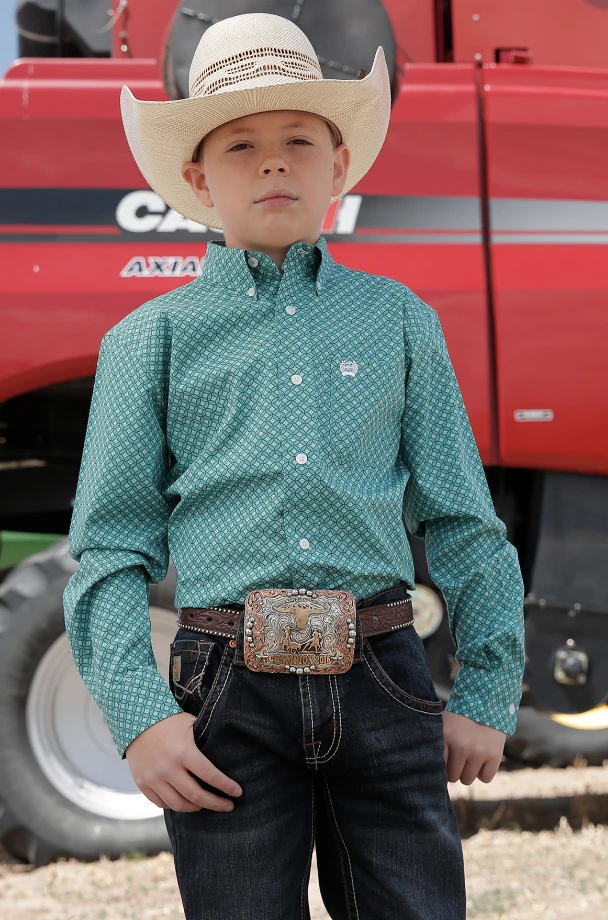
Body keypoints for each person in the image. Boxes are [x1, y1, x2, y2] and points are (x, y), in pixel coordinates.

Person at [63, 12, 525, 920]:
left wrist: (486, 688)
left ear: (339, 165)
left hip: (387, 680)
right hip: (224, 694)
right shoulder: (147, 342)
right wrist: (140, 718)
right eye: (241, 144)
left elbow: (465, 522)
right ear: (197, 178)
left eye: (298, 140)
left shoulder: (399, 321)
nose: (273, 162)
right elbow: (111, 550)